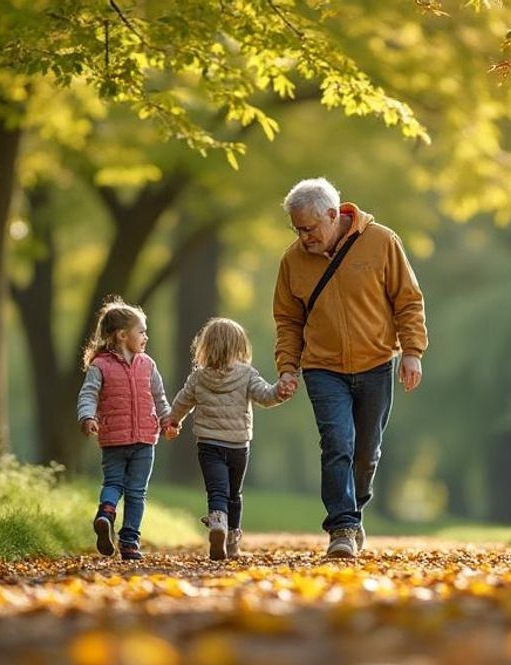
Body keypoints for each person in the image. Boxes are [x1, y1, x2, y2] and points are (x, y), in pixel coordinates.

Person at [273, 177, 428, 558]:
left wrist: (412, 350)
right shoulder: (292, 261)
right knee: (337, 443)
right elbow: (288, 321)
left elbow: (407, 300)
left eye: (309, 228)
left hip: (376, 363)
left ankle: (354, 513)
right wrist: (287, 366)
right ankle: (341, 528)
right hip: (322, 367)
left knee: (366, 451)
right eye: (297, 230)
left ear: (332, 214)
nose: (304, 237)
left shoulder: (382, 242)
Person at [164, 318, 289, 560]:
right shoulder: (247, 375)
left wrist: (172, 421)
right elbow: (266, 396)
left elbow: (182, 402)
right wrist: (280, 392)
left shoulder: (198, 377)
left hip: (208, 443)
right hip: (238, 445)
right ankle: (232, 541)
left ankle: (217, 524)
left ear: (206, 346)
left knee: (217, 491)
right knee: (234, 493)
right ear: (239, 347)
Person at [76, 296, 171, 561]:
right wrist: (87, 416)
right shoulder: (100, 366)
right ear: (121, 335)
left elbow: (159, 397)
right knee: (133, 491)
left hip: (144, 439)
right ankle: (126, 539)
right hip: (117, 441)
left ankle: (107, 515)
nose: (146, 337)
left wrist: (168, 421)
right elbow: (88, 395)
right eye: (141, 331)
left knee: (119, 485)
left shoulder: (148, 365)